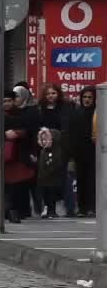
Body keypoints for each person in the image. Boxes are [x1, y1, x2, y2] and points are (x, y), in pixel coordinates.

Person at [0, 90, 35, 223]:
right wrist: (4, 136)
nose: (6, 104)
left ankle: (16, 210)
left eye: (9, 101)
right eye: (3, 101)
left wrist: (18, 133)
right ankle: (7, 211)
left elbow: (29, 132)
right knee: (2, 187)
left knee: (16, 186)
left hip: (17, 156)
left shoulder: (21, 115)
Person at [36, 83, 80, 217]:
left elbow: (68, 127)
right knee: (46, 178)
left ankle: (68, 207)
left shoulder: (65, 107)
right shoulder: (40, 109)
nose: (51, 96)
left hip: (61, 147)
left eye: (53, 93)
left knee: (62, 178)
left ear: (58, 94)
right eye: (48, 94)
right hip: (44, 147)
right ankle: (49, 207)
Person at [13, 85, 41, 218]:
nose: (15, 99)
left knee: (32, 180)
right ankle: (25, 209)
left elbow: (33, 132)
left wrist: (34, 151)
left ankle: (38, 207)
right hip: (17, 151)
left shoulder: (32, 111)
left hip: (30, 149)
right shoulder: (14, 111)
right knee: (21, 181)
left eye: (17, 96)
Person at [76, 86, 97, 217]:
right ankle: (82, 208)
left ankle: (92, 207)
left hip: (94, 151)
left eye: (90, 97)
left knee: (92, 180)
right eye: (84, 97)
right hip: (80, 151)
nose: (87, 100)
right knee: (81, 179)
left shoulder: (97, 113)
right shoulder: (77, 112)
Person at [36, 127, 65, 219]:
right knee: (46, 196)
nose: (44, 142)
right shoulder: (43, 151)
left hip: (52, 179)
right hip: (44, 180)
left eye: (47, 139)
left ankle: (52, 211)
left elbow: (56, 164)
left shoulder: (57, 151)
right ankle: (47, 209)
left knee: (52, 196)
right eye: (43, 140)